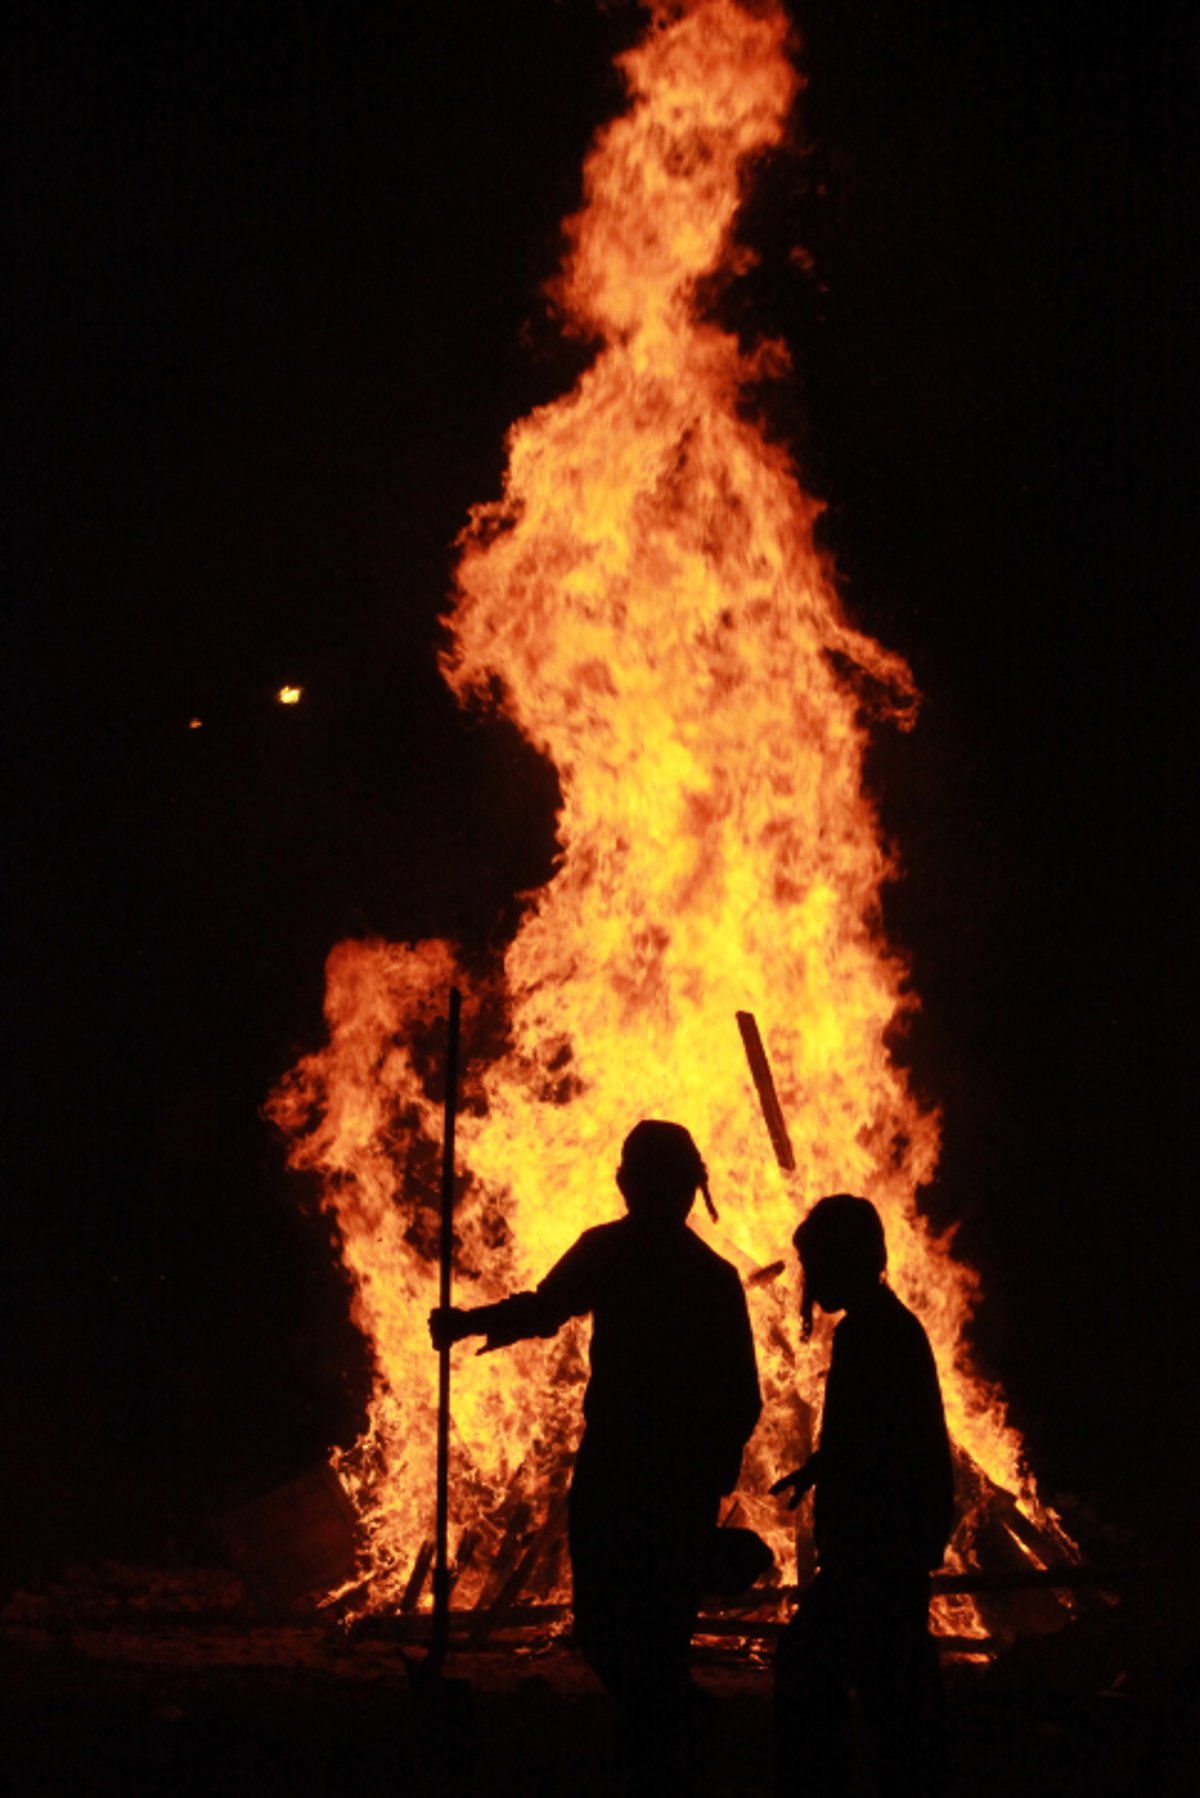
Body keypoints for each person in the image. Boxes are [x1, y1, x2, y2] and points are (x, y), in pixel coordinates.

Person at [430, 1119, 761, 1786]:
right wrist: (710, 1474)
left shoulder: (649, 1260)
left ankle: (661, 1745)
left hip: (630, 1472)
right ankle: (671, 1730)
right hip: (665, 1479)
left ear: (632, 1184)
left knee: (618, 1625)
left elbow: (543, 1309)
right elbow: (742, 1398)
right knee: (650, 1629)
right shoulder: (689, 1271)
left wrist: (470, 1322)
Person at [771, 1194, 955, 1796]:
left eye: (817, 1261)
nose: (810, 1277)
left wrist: (861, 1518)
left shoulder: (874, 1334)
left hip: (877, 1550)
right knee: (891, 1693)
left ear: (846, 1258)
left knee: (816, 1672)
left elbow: (886, 1446)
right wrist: (818, 1468)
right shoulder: (882, 1327)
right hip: (887, 1547)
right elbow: (875, 1431)